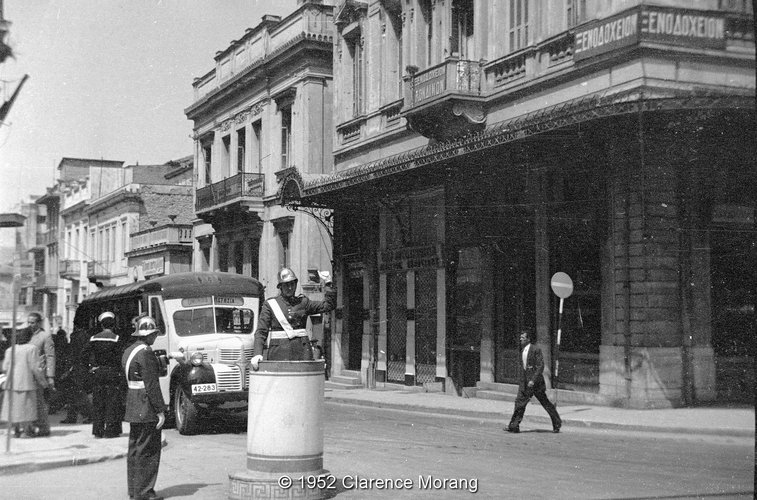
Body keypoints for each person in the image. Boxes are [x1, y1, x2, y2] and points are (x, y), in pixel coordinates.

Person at [250, 268, 336, 370]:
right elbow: (261, 331)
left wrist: (328, 283)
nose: (290, 287)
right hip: (278, 354)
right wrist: (257, 353)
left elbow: (328, 306)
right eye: (286, 285)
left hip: (302, 352)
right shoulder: (270, 305)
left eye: (292, 284)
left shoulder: (303, 302)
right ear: (280, 287)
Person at [123, 316, 166, 500]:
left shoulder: (129, 350)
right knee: (148, 451)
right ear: (149, 335)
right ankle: (145, 492)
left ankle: (134, 490)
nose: (155, 337)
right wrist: (160, 410)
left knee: (134, 450)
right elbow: (152, 384)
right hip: (146, 405)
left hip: (133, 403)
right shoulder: (146, 352)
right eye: (154, 334)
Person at [506, 329, 562, 434]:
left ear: (528, 339)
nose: (520, 339)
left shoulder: (536, 350)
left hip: (535, 384)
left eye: (523, 338)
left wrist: (533, 380)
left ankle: (557, 423)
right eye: (520, 338)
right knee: (519, 403)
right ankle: (514, 426)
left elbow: (540, 366)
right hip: (525, 384)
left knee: (545, 403)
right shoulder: (522, 350)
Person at [1, 327, 48, 438]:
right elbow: (35, 368)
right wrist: (43, 381)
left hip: (12, 383)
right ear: (30, 337)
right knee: (27, 408)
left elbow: (5, 367)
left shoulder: (10, 350)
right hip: (26, 382)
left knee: (14, 407)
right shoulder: (32, 349)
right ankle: (26, 431)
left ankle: (16, 429)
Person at [85, 311, 124, 438]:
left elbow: (83, 355)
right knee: (113, 402)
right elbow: (120, 358)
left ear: (101, 325)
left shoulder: (94, 338)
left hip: (98, 373)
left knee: (98, 402)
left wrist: (91, 367)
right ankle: (111, 431)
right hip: (112, 373)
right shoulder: (117, 339)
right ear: (113, 324)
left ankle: (98, 430)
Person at [26, 312, 55, 437]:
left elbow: (50, 356)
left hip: (39, 373)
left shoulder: (45, 336)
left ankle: (43, 427)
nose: (30, 325)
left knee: (39, 401)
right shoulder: (26, 335)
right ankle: (30, 427)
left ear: (38, 323)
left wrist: (50, 376)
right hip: (27, 373)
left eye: (32, 322)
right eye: (29, 322)